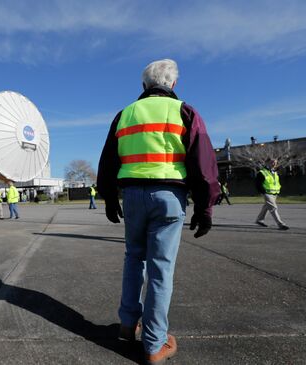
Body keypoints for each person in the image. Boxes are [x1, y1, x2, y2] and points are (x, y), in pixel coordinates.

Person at [97, 59, 220, 364]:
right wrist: (205, 207)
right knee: (160, 269)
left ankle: (128, 324)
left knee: (133, 258)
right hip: (169, 196)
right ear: (173, 84)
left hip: (133, 196)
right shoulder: (185, 112)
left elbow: (108, 161)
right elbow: (204, 165)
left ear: (144, 86)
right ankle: (154, 344)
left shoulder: (124, 114)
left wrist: (110, 198)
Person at [255, 159, 289, 230]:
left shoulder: (274, 172)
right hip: (267, 193)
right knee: (273, 208)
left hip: (274, 193)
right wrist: (263, 192)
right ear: (267, 163)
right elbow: (257, 184)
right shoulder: (262, 172)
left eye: (275, 163)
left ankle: (259, 220)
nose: (274, 164)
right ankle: (280, 224)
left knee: (266, 207)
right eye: (272, 162)